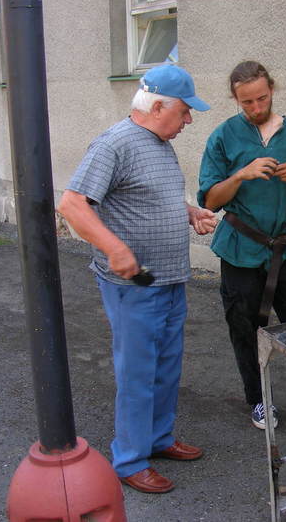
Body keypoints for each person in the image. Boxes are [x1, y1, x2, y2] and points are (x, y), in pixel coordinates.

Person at [57, 64, 217, 494]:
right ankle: (129, 459)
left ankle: (159, 439)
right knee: (138, 373)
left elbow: (149, 195)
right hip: (134, 287)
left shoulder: (159, 143)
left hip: (170, 279)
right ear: (158, 106)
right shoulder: (114, 143)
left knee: (166, 367)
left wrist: (189, 213)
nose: (189, 120)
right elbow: (72, 204)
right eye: (184, 111)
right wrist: (114, 249)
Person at [198, 61, 286, 430]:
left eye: (262, 99)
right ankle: (259, 399)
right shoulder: (224, 136)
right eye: (247, 102)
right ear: (236, 99)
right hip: (240, 249)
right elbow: (210, 200)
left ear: (272, 90)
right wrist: (241, 174)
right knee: (244, 329)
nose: (255, 107)